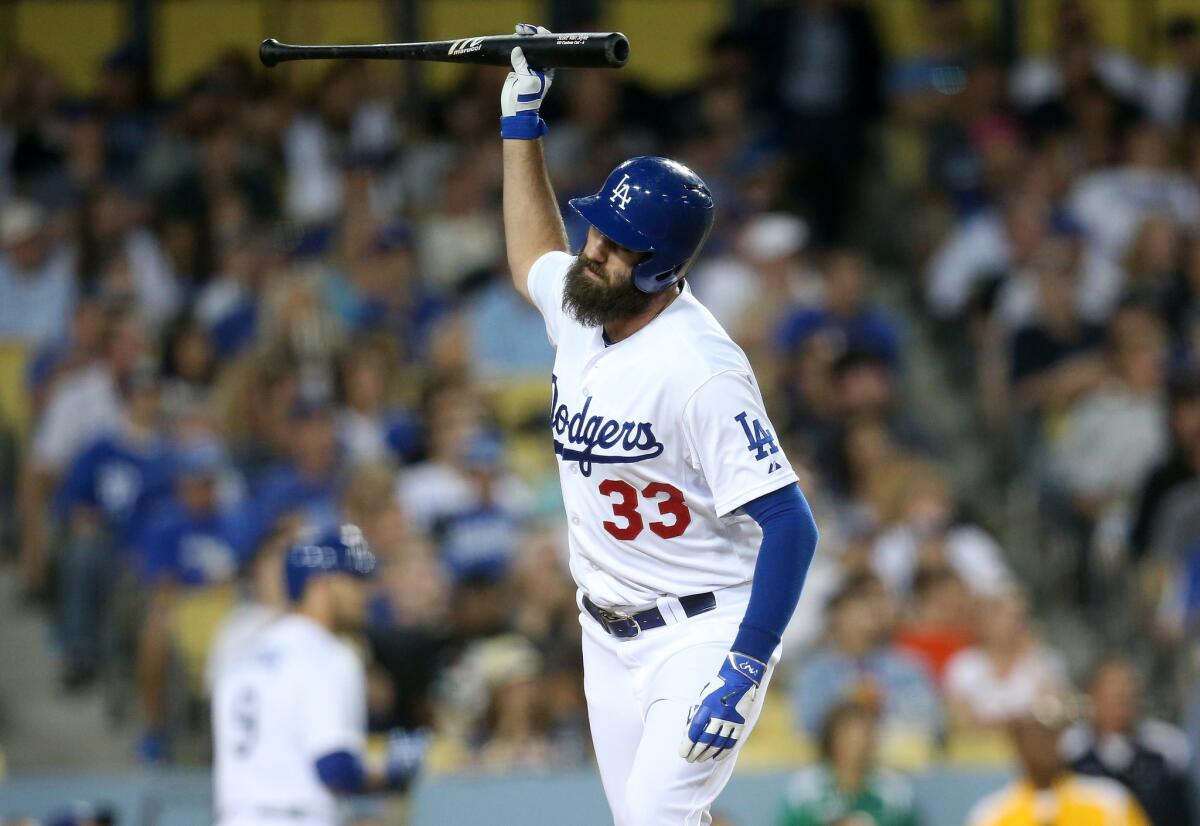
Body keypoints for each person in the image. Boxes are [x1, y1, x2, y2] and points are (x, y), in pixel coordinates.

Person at [499, 24, 820, 825]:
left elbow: (791, 524)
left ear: (659, 268)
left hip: (702, 630)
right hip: (604, 631)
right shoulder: (585, 302)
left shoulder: (700, 369)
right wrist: (521, 126)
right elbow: (530, 255)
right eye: (597, 230)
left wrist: (745, 665)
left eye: (614, 244)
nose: (592, 248)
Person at [211, 525, 423, 825]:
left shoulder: (243, 656)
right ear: (320, 584)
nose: (366, 592)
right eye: (354, 580)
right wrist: (395, 765)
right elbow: (334, 768)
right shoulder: (327, 654)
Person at [966, 693, 1150, 826]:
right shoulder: (991, 816)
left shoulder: (1109, 801)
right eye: (1034, 732)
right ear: (1018, 743)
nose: (1044, 742)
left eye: (1051, 733)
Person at [1060, 658, 1193, 826]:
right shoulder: (1073, 761)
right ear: (1092, 697)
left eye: (1124, 692)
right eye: (1110, 693)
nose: (1119, 700)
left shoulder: (1162, 757)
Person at [775, 700, 921, 826]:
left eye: (864, 733)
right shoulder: (806, 790)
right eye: (848, 734)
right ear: (831, 739)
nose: (858, 743)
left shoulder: (894, 791)